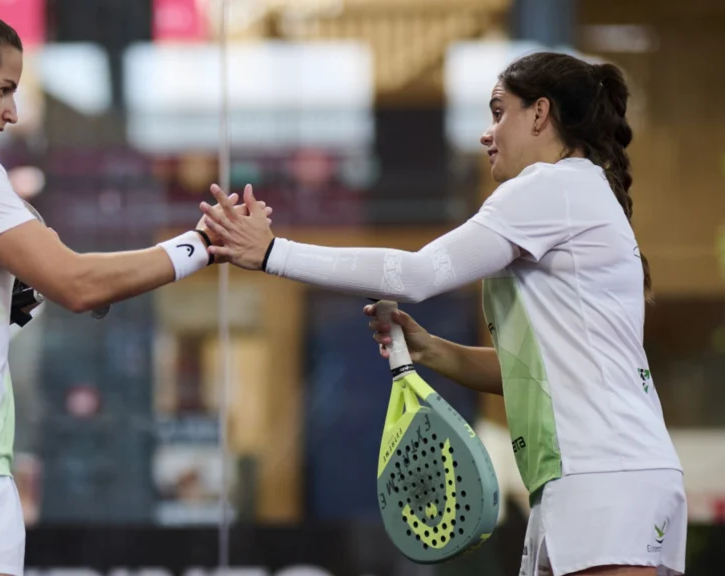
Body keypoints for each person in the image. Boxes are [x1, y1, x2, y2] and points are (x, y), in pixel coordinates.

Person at [200, 51, 684, 576]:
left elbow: (415, 275)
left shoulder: (550, 187)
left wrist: (273, 253)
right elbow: (531, 373)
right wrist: (430, 349)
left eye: (499, 112)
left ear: (540, 114)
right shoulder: (576, 192)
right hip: (604, 474)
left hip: (605, 476)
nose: (486, 134)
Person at [0, 7, 267, 576]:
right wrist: (202, 245)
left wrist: (17, 297)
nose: (13, 113)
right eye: (4, 89)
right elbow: (77, 283)